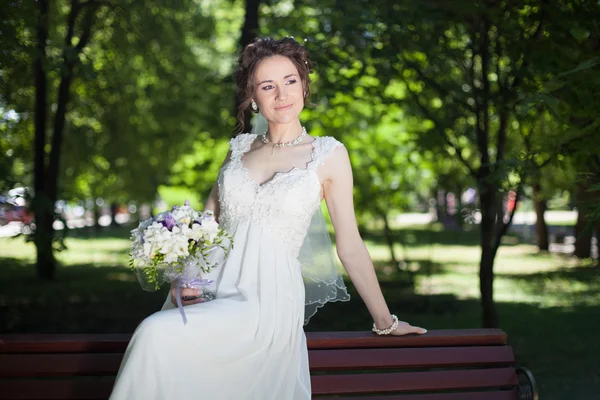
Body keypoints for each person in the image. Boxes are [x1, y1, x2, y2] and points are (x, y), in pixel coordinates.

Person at [109, 37, 426, 400]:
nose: (282, 94)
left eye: (290, 80)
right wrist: (187, 281)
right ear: (253, 96)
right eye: (267, 86)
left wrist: (386, 322)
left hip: (266, 301)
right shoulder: (238, 149)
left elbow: (350, 246)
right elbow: (206, 225)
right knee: (157, 337)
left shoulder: (328, 154)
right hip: (213, 290)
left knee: (155, 332)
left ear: (304, 85)